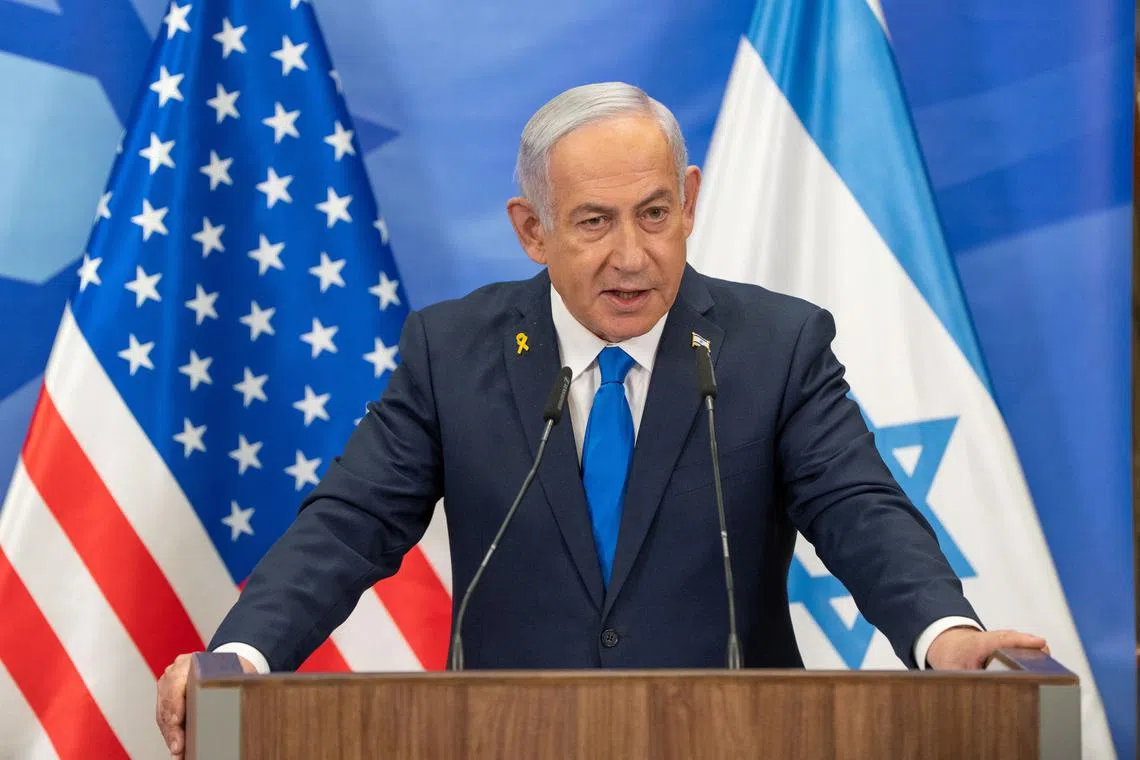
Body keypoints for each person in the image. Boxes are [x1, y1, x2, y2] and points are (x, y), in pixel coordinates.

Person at [156, 82, 1046, 755]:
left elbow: (860, 510)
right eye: (593, 222)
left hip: (735, 739)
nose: (633, 255)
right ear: (531, 229)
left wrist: (945, 635)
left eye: (656, 214)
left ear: (689, 201)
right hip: (504, 740)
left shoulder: (777, 346)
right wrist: (242, 660)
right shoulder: (450, 353)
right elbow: (349, 526)